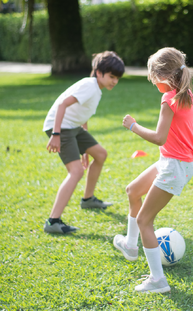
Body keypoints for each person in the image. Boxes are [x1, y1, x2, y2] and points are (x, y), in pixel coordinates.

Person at [113, 47, 193, 293]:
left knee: (144, 220)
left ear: (162, 76)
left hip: (174, 166)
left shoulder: (169, 99)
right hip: (174, 162)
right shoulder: (187, 94)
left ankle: (158, 281)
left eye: (153, 79)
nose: (153, 84)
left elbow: (159, 138)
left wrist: (133, 126)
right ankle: (131, 246)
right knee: (133, 190)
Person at [42, 51, 125, 234]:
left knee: (100, 154)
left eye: (117, 78)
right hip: (61, 127)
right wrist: (55, 134)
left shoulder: (96, 89)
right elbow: (63, 104)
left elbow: (83, 116)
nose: (114, 81)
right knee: (76, 171)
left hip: (73, 126)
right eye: (111, 76)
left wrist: (85, 150)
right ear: (98, 72)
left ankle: (88, 199)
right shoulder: (89, 86)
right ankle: (53, 221)